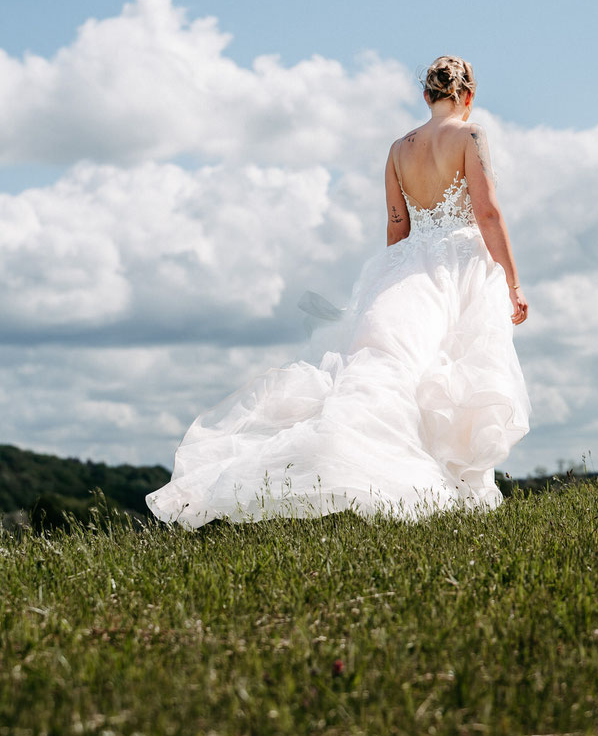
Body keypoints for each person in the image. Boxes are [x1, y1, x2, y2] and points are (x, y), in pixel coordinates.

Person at [146, 55, 530, 528]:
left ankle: (403, 478)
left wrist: (394, 279)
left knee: (397, 371)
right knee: (451, 373)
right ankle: (444, 484)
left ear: (426, 95)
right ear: (468, 95)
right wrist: (512, 281)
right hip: (460, 265)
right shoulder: (471, 136)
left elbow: (397, 229)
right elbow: (487, 213)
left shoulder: (398, 149)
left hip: (407, 268)